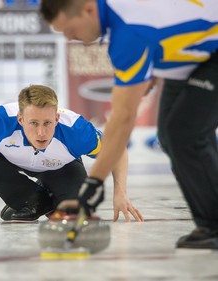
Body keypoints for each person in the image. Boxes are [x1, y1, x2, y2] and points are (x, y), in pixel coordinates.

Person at [39, 0, 218, 249]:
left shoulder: (128, 34)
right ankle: (209, 224)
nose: (70, 38)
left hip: (209, 53)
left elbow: (123, 119)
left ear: (88, 9)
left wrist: (93, 185)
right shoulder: (120, 21)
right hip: (189, 57)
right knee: (170, 135)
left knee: (183, 134)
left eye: (70, 30)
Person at [0, 84, 143, 222]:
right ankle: (31, 198)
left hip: (59, 167)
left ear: (57, 120)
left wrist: (120, 193)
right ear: (20, 119)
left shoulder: (77, 131)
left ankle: (46, 194)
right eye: (33, 123)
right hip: (8, 161)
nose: (41, 133)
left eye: (47, 123)